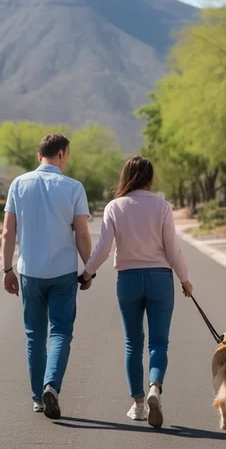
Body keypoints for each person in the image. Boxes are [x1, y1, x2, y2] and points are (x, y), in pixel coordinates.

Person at [79, 156, 191, 429]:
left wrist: (87, 273)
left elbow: (103, 249)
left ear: (125, 177)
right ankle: (155, 388)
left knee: (132, 343)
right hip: (160, 279)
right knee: (159, 342)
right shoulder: (162, 207)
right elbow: (173, 248)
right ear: (150, 179)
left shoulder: (114, 207)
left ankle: (139, 405)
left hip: (128, 280)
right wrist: (185, 278)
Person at [2, 133, 92, 420]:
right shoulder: (74, 187)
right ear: (62, 154)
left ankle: (37, 399)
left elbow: (7, 232)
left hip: (30, 272)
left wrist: (7, 269)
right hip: (63, 272)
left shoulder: (18, 184)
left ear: (39, 155)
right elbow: (82, 234)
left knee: (34, 335)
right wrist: (89, 268)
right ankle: (51, 385)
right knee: (61, 331)